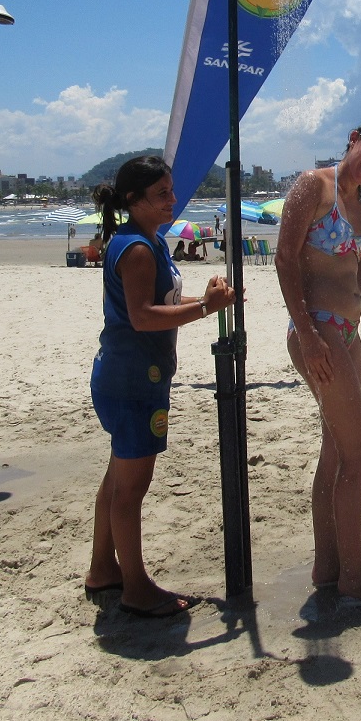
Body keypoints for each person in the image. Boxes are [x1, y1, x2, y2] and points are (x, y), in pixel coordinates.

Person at [84, 156, 234, 617]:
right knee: (131, 488)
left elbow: (160, 300)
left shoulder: (148, 241)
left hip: (127, 375)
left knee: (117, 479)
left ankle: (102, 569)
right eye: (162, 194)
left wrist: (209, 300)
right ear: (133, 200)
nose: (173, 199)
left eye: (172, 190)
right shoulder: (136, 249)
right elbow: (143, 317)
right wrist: (207, 310)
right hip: (132, 381)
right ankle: (135, 586)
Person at [275, 114, 361, 606]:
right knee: (359, 452)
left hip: (349, 331)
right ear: (356, 140)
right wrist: (309, 335)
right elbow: (285, 259)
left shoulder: (357, 201)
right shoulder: (315, 186)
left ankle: (329, 565)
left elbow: (357, 262)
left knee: (336, 451)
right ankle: (354, 575)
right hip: (318, 330)